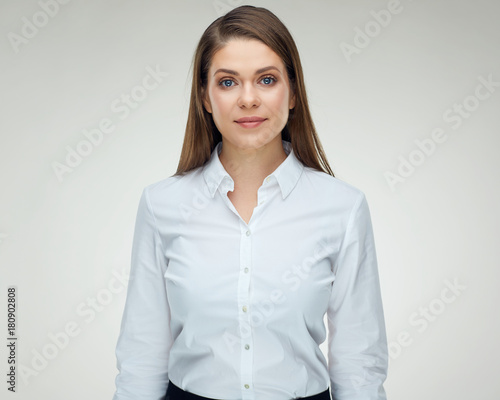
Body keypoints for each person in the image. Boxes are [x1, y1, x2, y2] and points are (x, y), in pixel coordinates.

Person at [112, 5, 388, 400]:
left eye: (267, 79)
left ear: (292, 92)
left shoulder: (342, 208)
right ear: (205, 98)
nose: (247, 99)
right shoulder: (162, 205)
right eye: (227, 83)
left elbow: (359, 361)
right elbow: (142, 355)